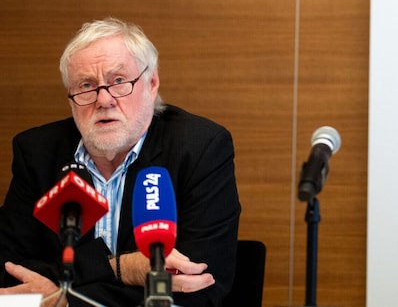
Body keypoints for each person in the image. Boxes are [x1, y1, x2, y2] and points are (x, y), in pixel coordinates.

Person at [0, 17, 241, 306]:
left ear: (151, 84)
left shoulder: (199, 148)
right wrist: (124, 268)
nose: (104, 100)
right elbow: (10, 272)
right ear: (70, 98)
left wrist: (66, 299)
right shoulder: (38, 152)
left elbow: (195, 285)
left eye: (118, 81)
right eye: (86, 85)